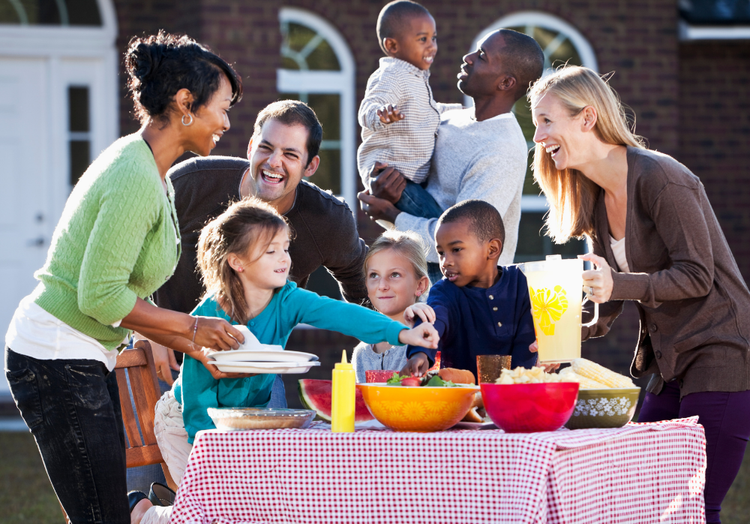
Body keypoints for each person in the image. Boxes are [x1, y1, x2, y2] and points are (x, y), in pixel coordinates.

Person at [4, 31, 246, 524]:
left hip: (76, 355)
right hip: (56, 357)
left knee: (105, 511)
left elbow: (123, 294)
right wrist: (191, 327)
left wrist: (192, 343)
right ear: (185, 103)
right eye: (221, 107)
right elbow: (100, 295)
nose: (225, 121)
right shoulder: (134, 174)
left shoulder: (150, 170)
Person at [528, 65, 750, 524]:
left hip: (722, 352)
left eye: (546, 121)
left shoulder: (661, 178)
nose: (538, 136)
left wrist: (619, 284)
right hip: (667, 363)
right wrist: (569, 336)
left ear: (587, 118)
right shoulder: (592, 193)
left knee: (693, 504)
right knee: (642, 498)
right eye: (536, 123)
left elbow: (696, 276)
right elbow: (608, 294)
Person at [146, 199, 439, 500]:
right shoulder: (213, 315)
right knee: (204, 508)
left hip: (241, 422)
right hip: (188, 423)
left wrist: (403, 333)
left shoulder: (288, 299)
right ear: (238, 262)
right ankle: (144, 512)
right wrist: (205, 445)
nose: (284, 258)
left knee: (241, 509)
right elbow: (198, 389)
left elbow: (343, 314)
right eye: (271, 251)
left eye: (285, 248)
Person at [149, 100, 370, 401]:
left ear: (311, 166)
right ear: (251, 146)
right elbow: (127, 254)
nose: (274, 162)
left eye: (290, 154)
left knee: (267, 449)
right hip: (170, 360)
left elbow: (367, 289)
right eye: (266, 148)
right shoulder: (191, 182)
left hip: (257, 368)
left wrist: (398, 341)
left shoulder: (328, 220)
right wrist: (145, 330)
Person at [358, 28, 544, 282]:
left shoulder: (502, 149)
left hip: (467, 294)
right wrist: (381, 186)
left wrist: (391, 214)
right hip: (420, 273)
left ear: (506, 83)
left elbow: (466, 240)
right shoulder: (447, 116)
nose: (468, 58)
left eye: (481, 56)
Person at [401, 200, 537, 379]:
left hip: (520, 392)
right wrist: (420, 353)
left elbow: (528, 344)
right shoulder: (445, 291)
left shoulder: (523, 283)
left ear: (492, 249)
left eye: (456, 249)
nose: (445, 261)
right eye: (441, 253)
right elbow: (433, 320)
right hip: (463, 397)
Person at [357, 0, 461, 220]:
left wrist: (457, 111)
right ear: (393, 46)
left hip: (411, 174)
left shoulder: (416, 77)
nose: (431, 46)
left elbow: (424, 110)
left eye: (433, 38)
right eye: (422, 39)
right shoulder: (393, 75)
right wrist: (381, 114)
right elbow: (368, 106)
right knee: (437, 222)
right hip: (392, 176)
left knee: (434, 218)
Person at [352, 230, 435, 382]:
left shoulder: (429, 338)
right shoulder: (361, 353)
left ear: (420, 285)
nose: (382, 286)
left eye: (395, 274)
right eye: (374, 275)